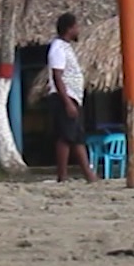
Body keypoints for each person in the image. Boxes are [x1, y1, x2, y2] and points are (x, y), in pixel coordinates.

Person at [46, 12, 96, 183]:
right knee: (66, 137)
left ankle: (88, 175)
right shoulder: (58, 48)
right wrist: (67, 102)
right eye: (76, 26)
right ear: (69, 28)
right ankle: (64, 176)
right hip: (64, 98)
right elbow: (57, 76)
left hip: (72, 98)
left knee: (75, 137)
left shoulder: (66, 47)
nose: (78, 30)